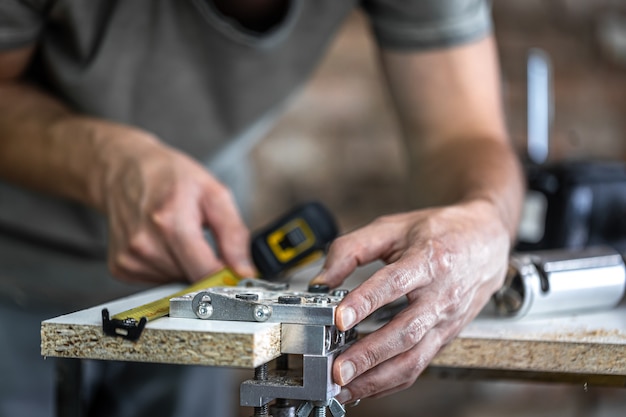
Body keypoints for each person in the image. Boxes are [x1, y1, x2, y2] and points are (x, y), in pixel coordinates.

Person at [0, 0, 524, 415]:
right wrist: (105, 161)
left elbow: (464, 135)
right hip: (14, 269)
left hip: (194, 277)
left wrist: (485, 218)